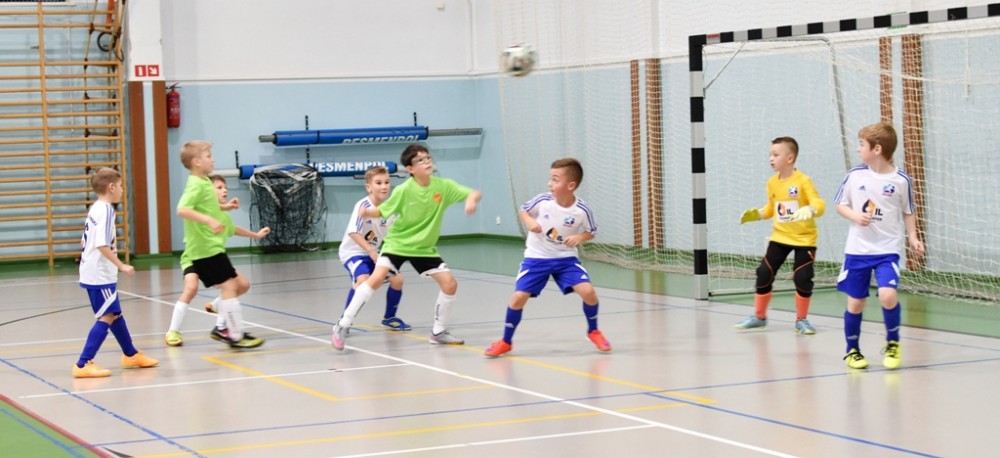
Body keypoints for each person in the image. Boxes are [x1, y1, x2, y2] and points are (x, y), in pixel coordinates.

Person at [331, 143, 481, 350]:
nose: (426, 162)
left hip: (423, 248)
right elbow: (383, 210)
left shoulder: (443, 186)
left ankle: (438, 332)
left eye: (428, 158)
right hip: (396, 245)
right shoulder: (403, 190)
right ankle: (343, 324)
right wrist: (368, 214)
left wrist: (471, 200)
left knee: (449, 284)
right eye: (420, 160)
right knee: (373, 279)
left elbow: (474, 193)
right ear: (410, 169)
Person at [484, 157, 611, 358]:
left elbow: (592, 231)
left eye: (555, 179)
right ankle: (506, 342)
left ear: (570, 185)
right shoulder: (543, 201)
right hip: (537, 258)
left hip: (566, 259)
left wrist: (580, 237)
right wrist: (529, 222)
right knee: (518, 298)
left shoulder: (581, 210)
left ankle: (593, 331)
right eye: (550, 178)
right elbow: (524, 210)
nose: (549, 183)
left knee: (589, 292)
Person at [835, 122, 924, 370]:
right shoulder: (855, 175)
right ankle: (852, 350)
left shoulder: (901, 180)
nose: (858, 149)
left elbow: (908, 211)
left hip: (887, 250)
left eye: (861, 144)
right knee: (856, 303)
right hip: (858, 250)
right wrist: (855, 216)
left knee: (888, 295)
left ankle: (893, 343)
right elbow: (840, 204)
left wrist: (913, 237)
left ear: (877, 149)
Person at [175, 140, 265, 349]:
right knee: (230, 287)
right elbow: (182, 209)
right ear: (197, 162)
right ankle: (234, 334)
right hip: (205, 249)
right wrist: (209, 220)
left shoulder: (204, 182)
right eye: (208, 156)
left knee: (239, 285)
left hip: (213, 248)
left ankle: (228, 329)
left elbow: (207, 206)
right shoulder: (195, 184)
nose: (213, 160)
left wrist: (225, 207)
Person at [73, 168, 159, 378]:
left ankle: (130, 354)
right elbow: (102, 244)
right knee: (107, 315)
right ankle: (83, 363)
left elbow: (86, 241)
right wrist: (122, 265)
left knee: (115, 313)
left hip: (94, 271)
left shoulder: (95, 208)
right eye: (120, 186)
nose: (122, 190)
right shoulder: (106, 210)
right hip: (99, 274)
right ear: (111, 187)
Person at [735, 137, 826, 335]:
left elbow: (820, 204)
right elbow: (771, 209)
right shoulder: (771, 183)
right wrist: (758, 214)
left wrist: (810, 209)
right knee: (764, 272)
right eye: (770, 154)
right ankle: (759, 317)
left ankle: (801, 320)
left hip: (804, 239)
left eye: (775, 155)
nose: (771, 158)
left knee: (802, 277)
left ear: (789, 158)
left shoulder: (803, 181)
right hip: (780, 238)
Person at [338, 166, 407, 330]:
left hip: (374, 253)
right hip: (353, 252)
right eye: (378, 183)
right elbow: (353, 232)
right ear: (368, 187)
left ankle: (389, 317)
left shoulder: (389, 210)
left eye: (387, 182)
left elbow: (392, 235)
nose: (384, 186)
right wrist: (371, 251)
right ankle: (344, 321)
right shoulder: (362, 205)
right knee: (362, 280)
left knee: (397, 279)